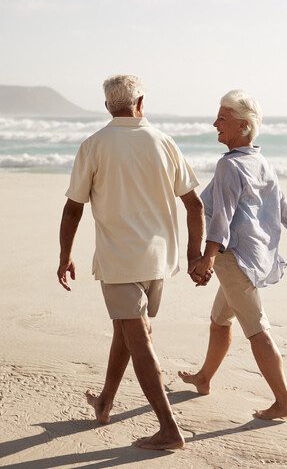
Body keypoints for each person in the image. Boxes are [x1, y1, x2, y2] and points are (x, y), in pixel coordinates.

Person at [57, 74, 209, 450]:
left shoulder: (93, 145)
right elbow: (195, 205)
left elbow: (73, 208)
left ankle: (169, 429)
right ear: (141, 103)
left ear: (108, 106)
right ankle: (105, 402)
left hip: (119, 261)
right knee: (127, 331)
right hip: (158, 261)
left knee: (137, 337)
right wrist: (193, 256)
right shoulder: (165, 142)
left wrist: (65, 256)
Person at [179, 89, 287, 420]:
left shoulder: (229, 166)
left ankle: (283, 402)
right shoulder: (260, 161)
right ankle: (204, 378)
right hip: (246, 255)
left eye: (223, 118)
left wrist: (206, 258)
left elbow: (221, 218)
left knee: (256, 329)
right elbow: (283, 208)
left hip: (232, 258)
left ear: (243, 125)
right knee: (220, 320)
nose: (215, 123)